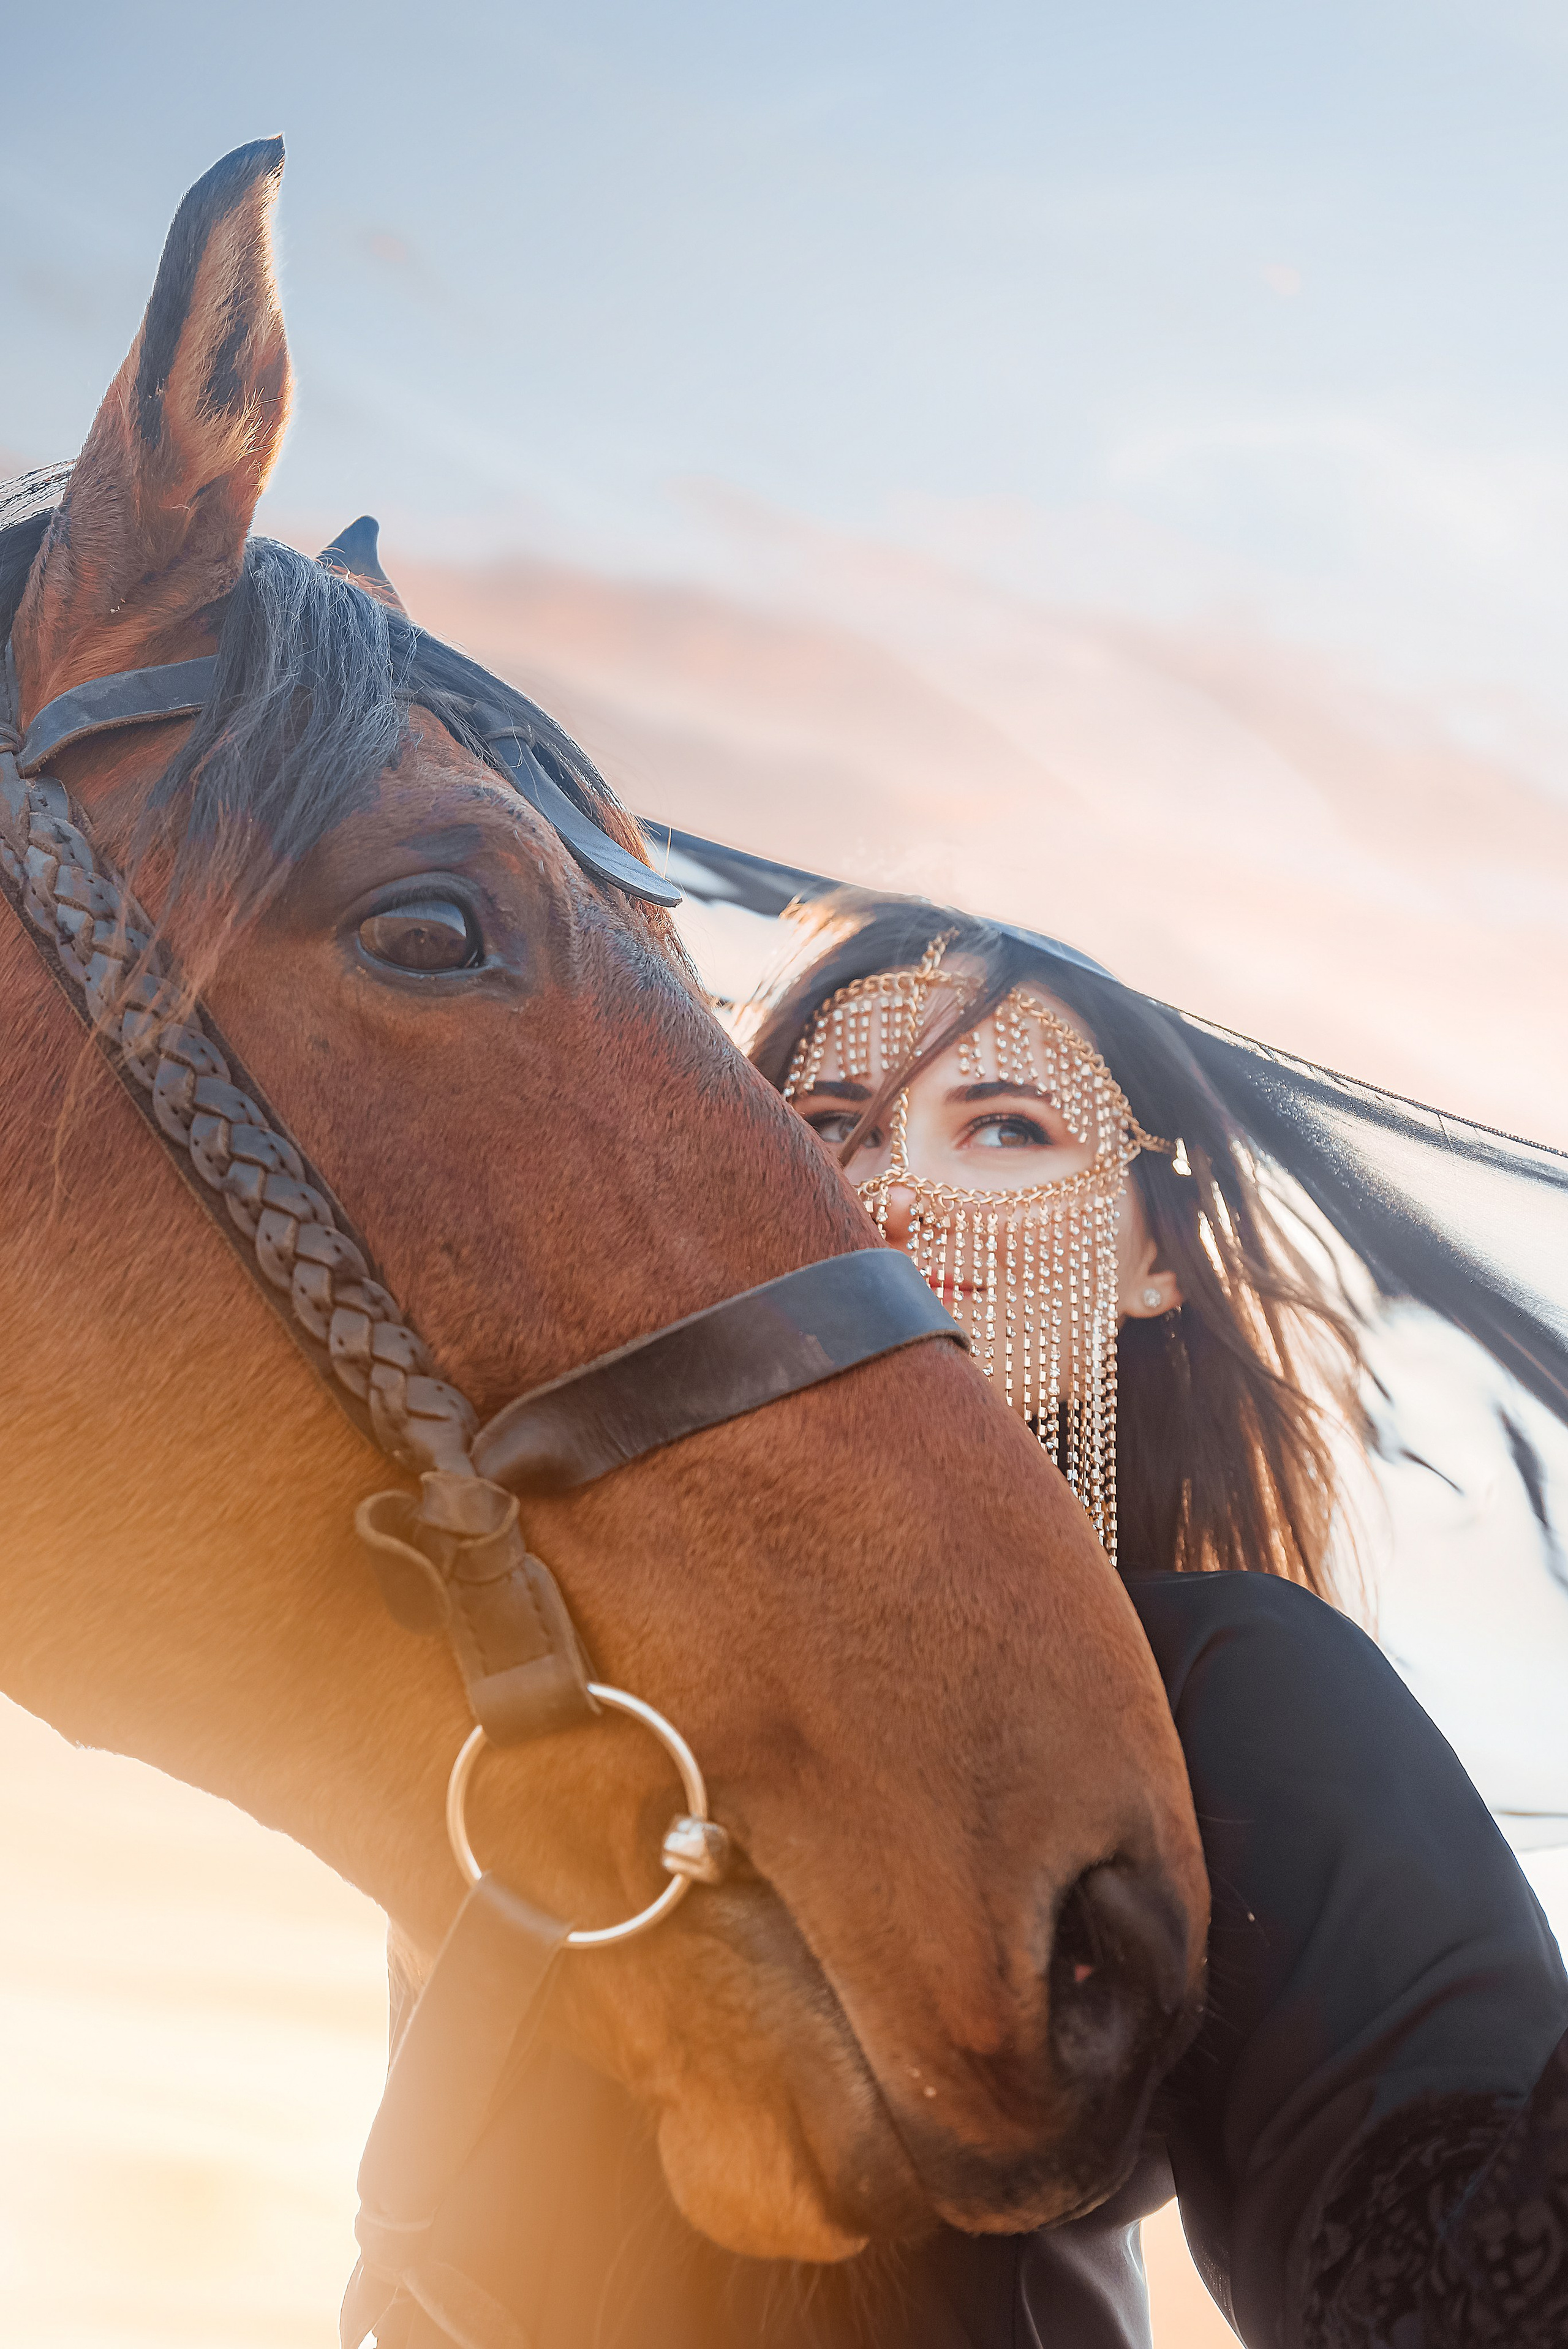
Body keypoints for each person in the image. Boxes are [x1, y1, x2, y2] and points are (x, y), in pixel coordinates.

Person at [382, 891, 1568, 2349]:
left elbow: (1451, 2302)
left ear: (1156, 1264)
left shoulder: (1216, 1694)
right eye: (824, 1125)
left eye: (1006, 1126)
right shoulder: (532, 1670)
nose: (887, 1196)